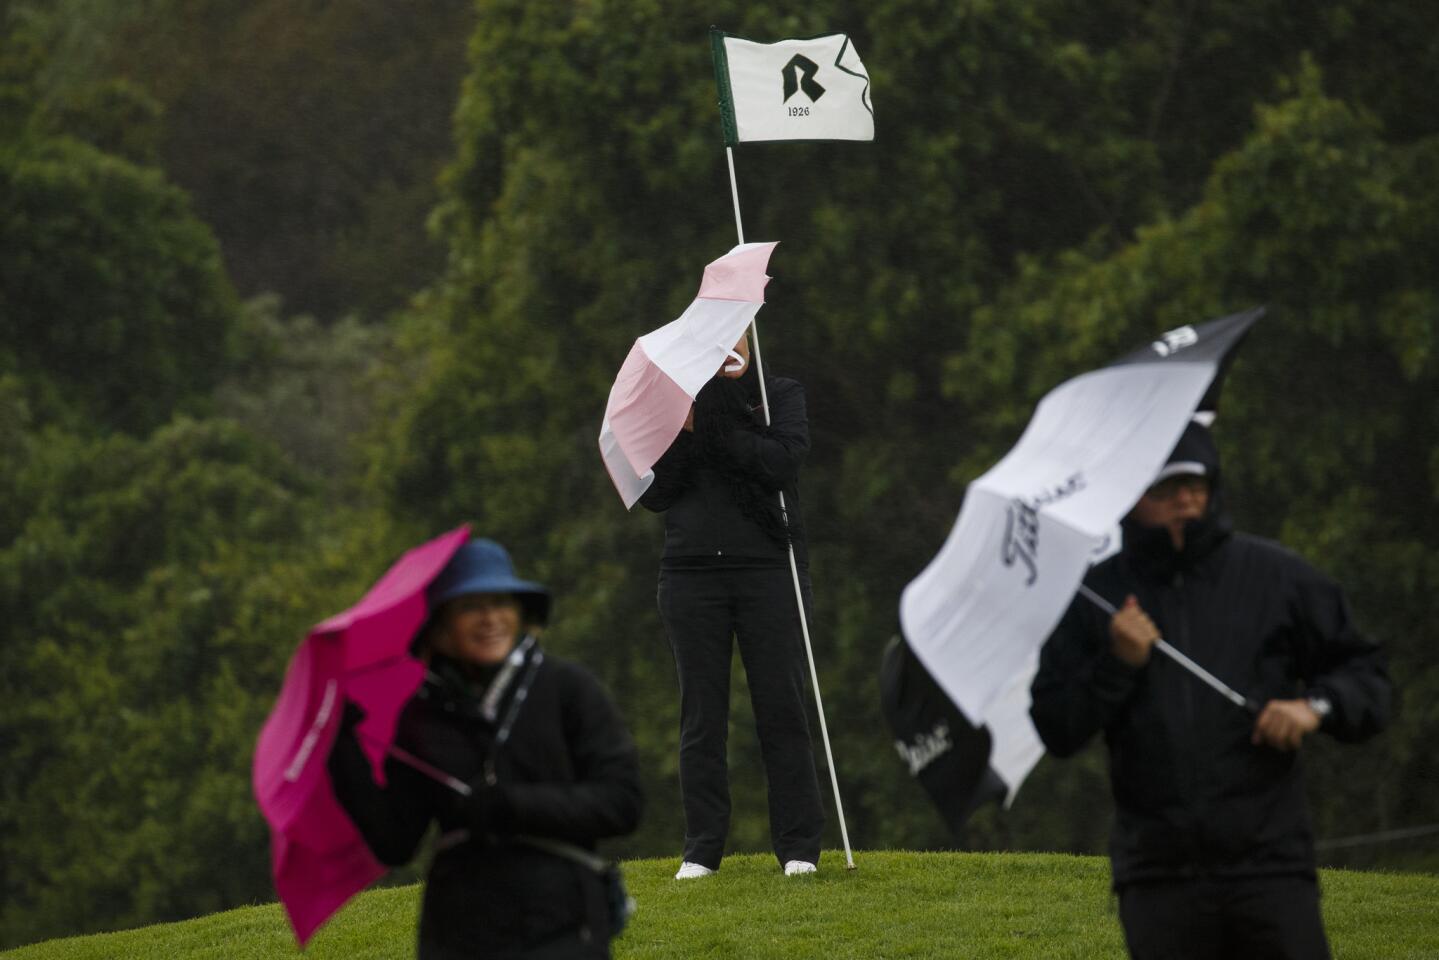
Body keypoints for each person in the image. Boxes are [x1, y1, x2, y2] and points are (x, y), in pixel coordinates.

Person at [1029, 421, 1392, 960]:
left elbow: (1367, 675)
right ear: (1133, 497)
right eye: (1165, 490)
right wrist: (1118, 664)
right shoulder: (1098, 598)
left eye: (1194, 486)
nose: (1185, 503)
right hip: (1157, 876)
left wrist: (1314, 707)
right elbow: (1057, 726)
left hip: (1270, 867)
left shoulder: (1276, 576)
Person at [327, 538, 643, 960]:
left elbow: (621, 802)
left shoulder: (568, 689)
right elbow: (395, 843)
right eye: (470, 607)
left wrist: (513, 804)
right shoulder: (420, 716)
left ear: (520, 613)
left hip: (563, 925)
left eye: (502, 603)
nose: (490, 619)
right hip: (458, 935)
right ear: (439, 629)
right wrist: (343, 748)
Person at [638, 331, 825, 879]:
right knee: (702, 718)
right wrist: (686, 429)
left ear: (751, 335)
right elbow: (656, 493)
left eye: (736, 331)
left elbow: (781, 462)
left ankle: (798, 849)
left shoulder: (777, 394)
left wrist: (716, 427)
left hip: (770, 571)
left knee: (782, 709)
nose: (726, 344)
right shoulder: (675, 403)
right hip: (691, 576)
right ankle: (701, 851)